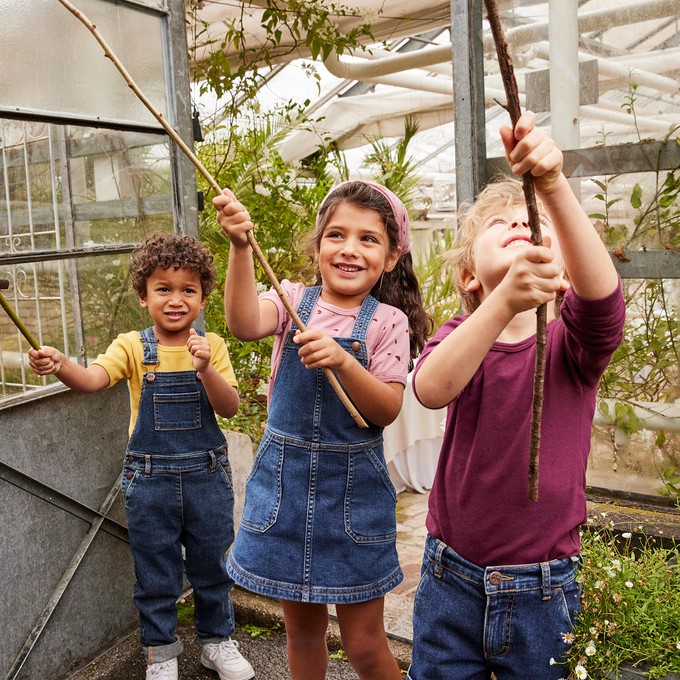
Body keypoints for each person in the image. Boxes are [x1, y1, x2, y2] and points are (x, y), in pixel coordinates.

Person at [407, 112, 626, 679]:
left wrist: (552, 187)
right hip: (449, 579)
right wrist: (501, 304)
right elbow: (431, 388)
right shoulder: (462, 337)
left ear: (561, 268)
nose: (518, 224)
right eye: (497, 224)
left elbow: (604, 303)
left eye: (530, 224)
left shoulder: (570, 346)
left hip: (543, 590)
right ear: (468, 278)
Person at [213, 180, 432, 680]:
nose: (349, 249)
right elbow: (243, 322)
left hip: (351, 502)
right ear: (317, 246)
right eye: (336, 235)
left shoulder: (388, 322)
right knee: (303, 636)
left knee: (363, 644)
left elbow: (386, 408)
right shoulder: (292, 301)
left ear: (393, 256)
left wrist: (344, 362)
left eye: (368, 239)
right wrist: (240, 247)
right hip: (285, 494)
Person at [28, 232, 255, 680]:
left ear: (204, 297)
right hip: (150, 480)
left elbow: (228, 407)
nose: (176, 299)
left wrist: (205, 368)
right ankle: (161, 654)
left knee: (214, 565)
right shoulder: (133, 346)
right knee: (156, 573)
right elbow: (93, 380)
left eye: (188, 289)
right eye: (163, 289)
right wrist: (61, 365)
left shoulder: (213, 347)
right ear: (143, 296)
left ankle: (216, 642)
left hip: (207, 475)